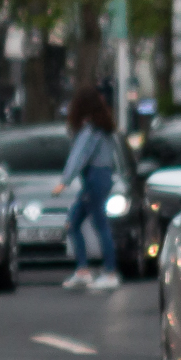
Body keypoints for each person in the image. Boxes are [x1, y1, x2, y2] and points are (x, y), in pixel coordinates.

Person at [56, 86, 120, 290]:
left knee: (98, 225)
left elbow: (79, 156)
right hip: (102, 177)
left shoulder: (91, 130)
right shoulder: (104, 129)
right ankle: (83, 270)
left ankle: (109, 272)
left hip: (94, 178)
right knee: (74, 223)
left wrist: (64, 181)